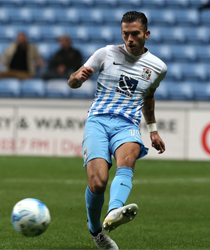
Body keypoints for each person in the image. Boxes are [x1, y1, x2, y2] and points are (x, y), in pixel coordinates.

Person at [67, 11, 167, 250]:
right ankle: (96, 232)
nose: (129, 39)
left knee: (129, 158)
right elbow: (71, 81)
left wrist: (152, 130)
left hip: (128, 124)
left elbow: (148, 97)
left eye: (135, 34)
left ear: (146, 34)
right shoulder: (105, 53)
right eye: (125, 34)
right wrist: (78, 78)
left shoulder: (158, 67)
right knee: (98, 183)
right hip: (98, 121)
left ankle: (114, 211)